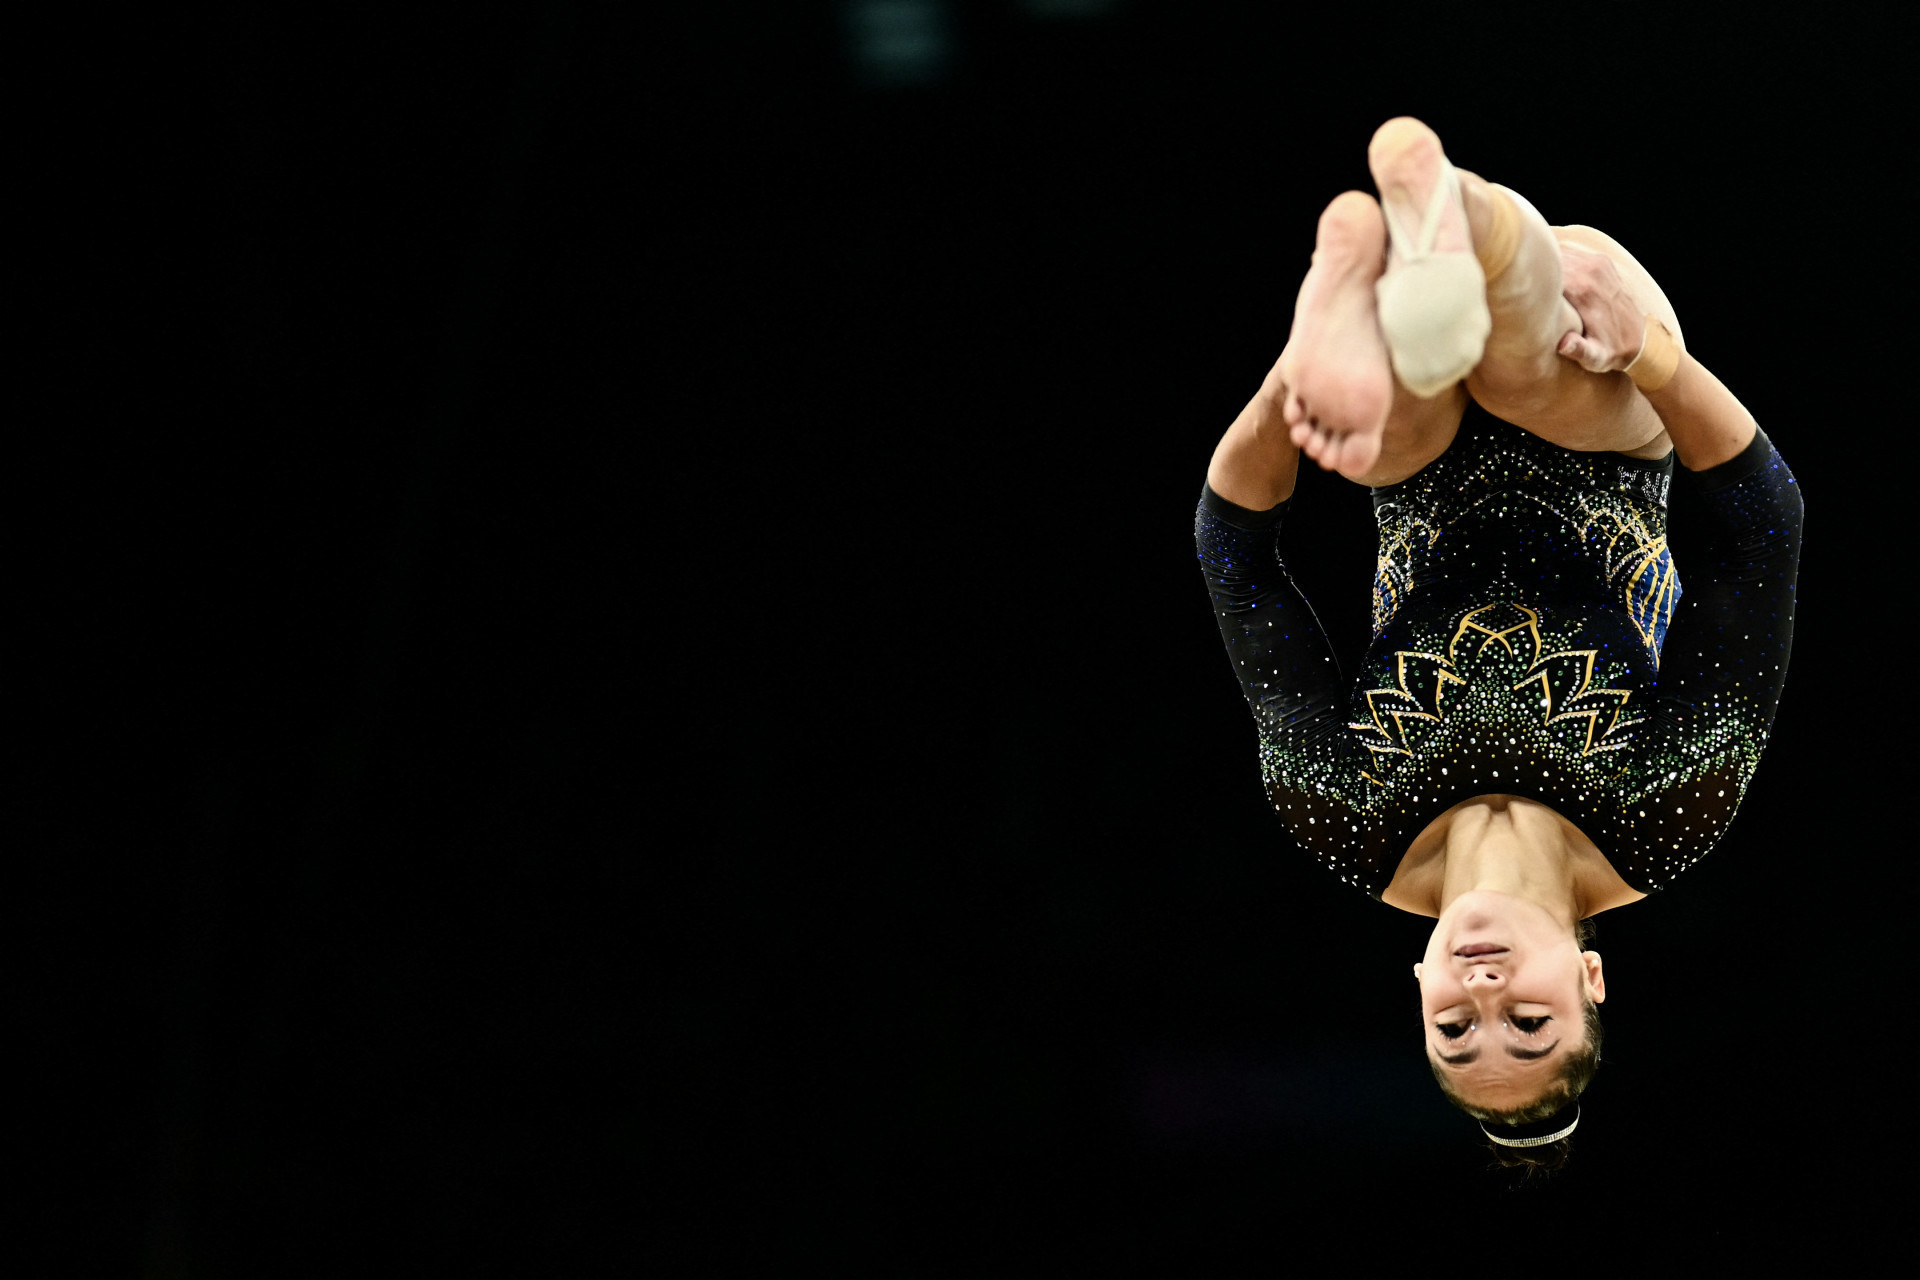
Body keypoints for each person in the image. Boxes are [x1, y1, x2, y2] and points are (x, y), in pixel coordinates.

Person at [1195, 118, 1803, 1168]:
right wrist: (1652, 353)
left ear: (1418, 989)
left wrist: (1284, 402)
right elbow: (1762, 528)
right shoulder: (1669, 811)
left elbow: (1234, 554)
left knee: (1381, 428)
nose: (1485, 992)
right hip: (1610, 407)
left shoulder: (1344, 817)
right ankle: (1434, 206)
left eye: (1454, 1027)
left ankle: (1370, 296)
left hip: (1411, 446)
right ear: (1591, 979)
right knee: (1523, 368)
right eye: (1531, 1022)